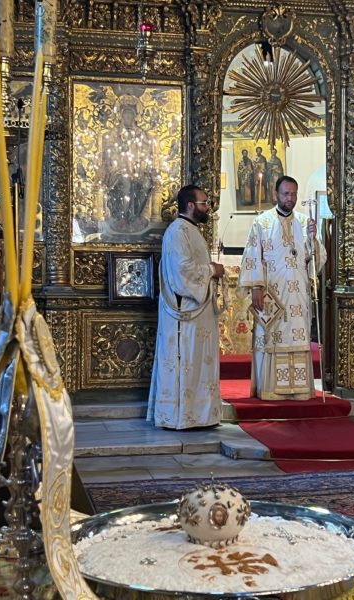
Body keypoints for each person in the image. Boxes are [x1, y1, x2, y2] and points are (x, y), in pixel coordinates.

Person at [237, 176, 326, 401]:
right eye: (286, 194)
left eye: (293, 194)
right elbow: (252, 256)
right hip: (273, 292)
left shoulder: (305, 223)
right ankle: (271, 388)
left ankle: (299, 389)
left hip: (298, 294)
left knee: (298, 335)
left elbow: (316, 260)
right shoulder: (262, 223)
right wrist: (256, 287)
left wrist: (313, 240)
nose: (290, 198)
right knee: (273, 337)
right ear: (276, 194)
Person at [147, 185, 225, 429]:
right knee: (187, 361)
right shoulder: (177, 232)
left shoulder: (190, 230)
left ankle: (200, 415)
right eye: (204, 203)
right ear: (190, 205)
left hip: (198, 312)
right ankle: (182, 416)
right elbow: (182, 272)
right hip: (186, 314)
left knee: (199, 363)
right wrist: (212, 270)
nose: (207, 207)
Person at [97, 95, 155, 234]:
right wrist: (120, 151)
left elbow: (147, 153)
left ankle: (136, 217)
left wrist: (140, 167)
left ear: (135, 117)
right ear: (121, 116)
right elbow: (109, 153)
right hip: (118, 171)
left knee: (146, 184)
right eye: (126, 115)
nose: (128, 118)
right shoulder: (114, 133)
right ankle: (121, 217)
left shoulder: (141, 133)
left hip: (137, 170)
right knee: (126, 183)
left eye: (131, 115)